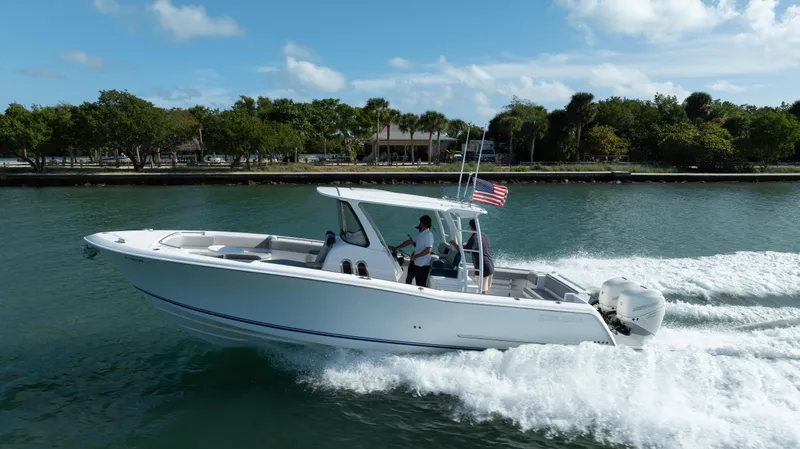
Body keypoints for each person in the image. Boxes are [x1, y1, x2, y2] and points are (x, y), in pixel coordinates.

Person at [450, 219, 494, 294]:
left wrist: (454, 244)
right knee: (483, 289)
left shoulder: (474, 237)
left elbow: (463, 251)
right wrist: (466, 244)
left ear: (471, 227)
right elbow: (475, 245)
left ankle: (482, 304)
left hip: (483, 267)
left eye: (469, 227)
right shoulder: (482, 235)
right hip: (488, 264)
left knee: (482, 290)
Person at [389, 215, 434, 286]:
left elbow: (429, 249)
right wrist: (396, 247)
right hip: (416, 263)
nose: (420, 224)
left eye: (420, 222)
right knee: (409, 279)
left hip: (423, 265)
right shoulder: (421, 234)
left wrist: (416, 256)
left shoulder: (428, 235)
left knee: (420, 285)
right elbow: (409, 241)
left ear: (422, 223)